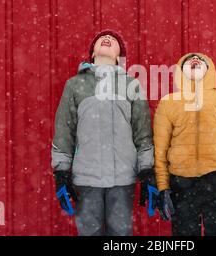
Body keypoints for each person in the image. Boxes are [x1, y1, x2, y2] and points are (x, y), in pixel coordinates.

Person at [51, 29, 156, 236]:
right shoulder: (75, 85)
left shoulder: (131, 84)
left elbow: (142, 132)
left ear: (118, 56)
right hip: (86, 179)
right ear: (92, 54)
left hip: (123, 180)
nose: (106, 39)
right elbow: (65, 130)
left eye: (113, 40)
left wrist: (147, 171)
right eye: (101, 38)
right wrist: (61, 173)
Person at [153, 53, 216, 236]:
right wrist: (163, 187)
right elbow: (160, 151)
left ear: (210, 70)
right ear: (181, 71)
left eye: (200, 60)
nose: (195, 60)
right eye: (188, 61)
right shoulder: (168, 103)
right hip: (180, 184)